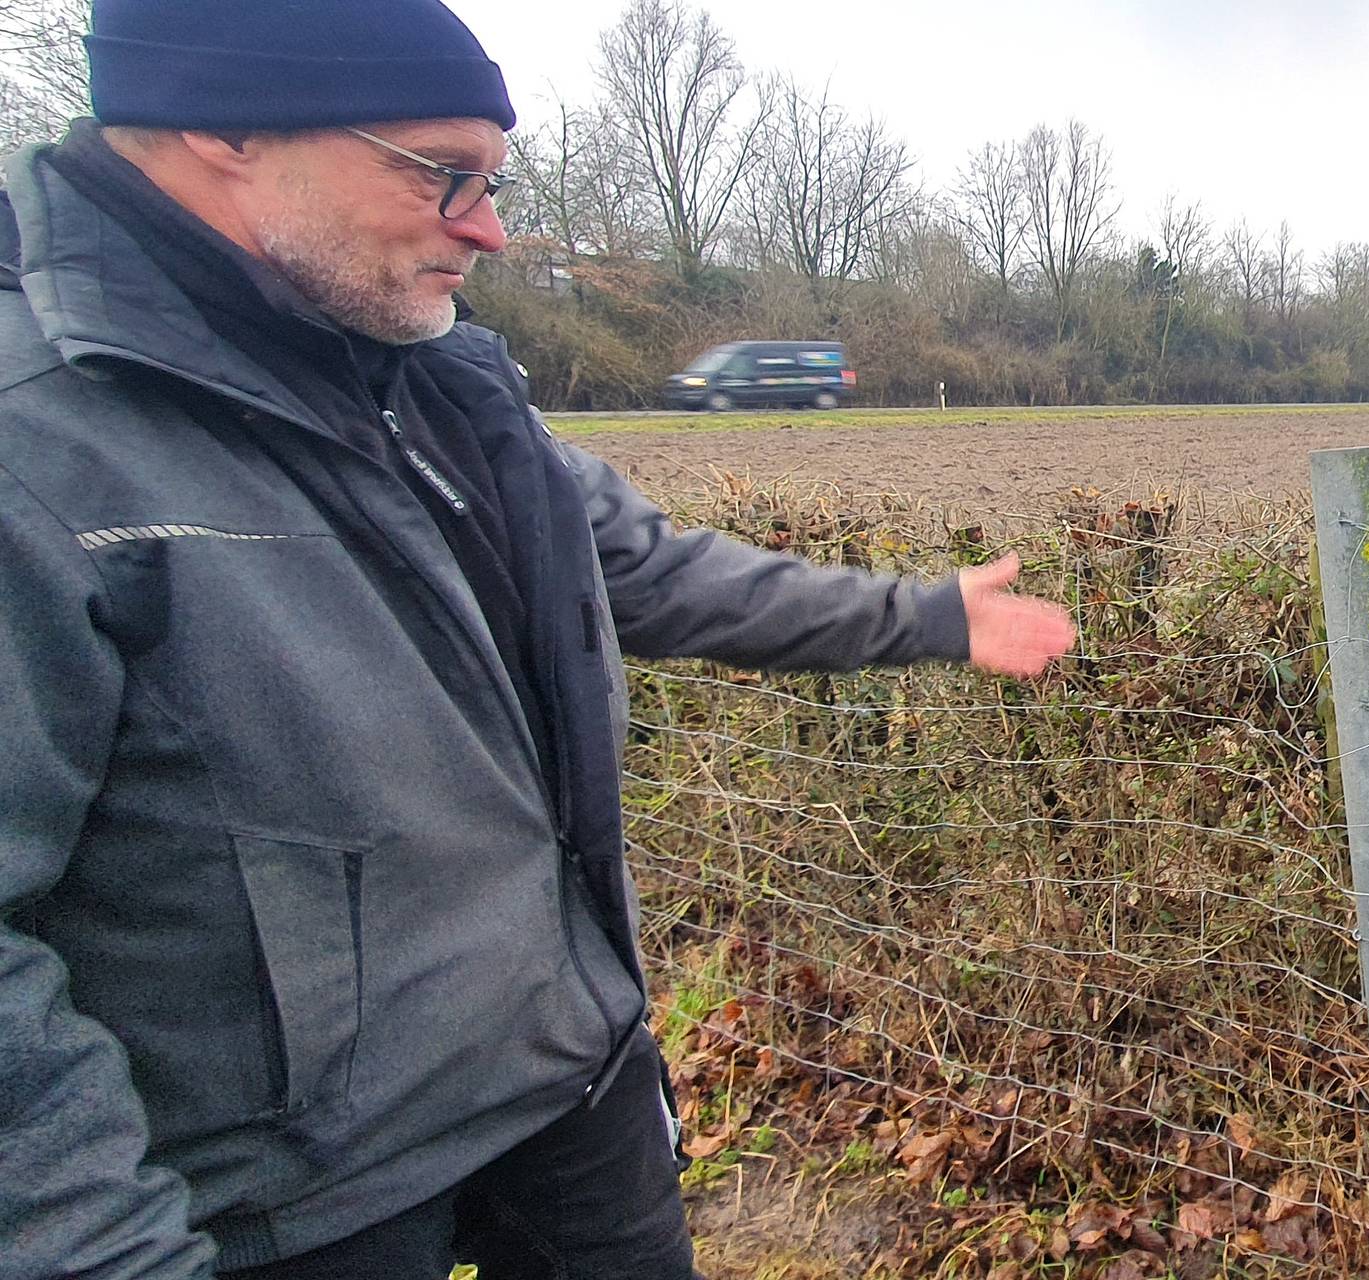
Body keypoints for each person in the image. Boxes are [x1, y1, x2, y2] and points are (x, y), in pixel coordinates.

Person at [0, 1, 1078, 1276]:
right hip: (287, 1196)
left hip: (570, 1076)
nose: (489, 228)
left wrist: (928, 614)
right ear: (220, 123)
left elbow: (652, 571)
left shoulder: (443, 386)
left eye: (495, 183)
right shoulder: (42, 439)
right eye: (441, 173)